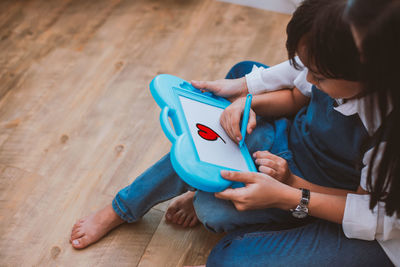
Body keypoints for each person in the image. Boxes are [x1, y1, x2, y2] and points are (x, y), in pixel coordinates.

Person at [69, 0, 395, 265]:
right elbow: (298, 94)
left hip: (342, 201)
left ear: (375, 75)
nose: (309, 79)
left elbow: (373, 212)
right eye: (304, 66)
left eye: (320, 76)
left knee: (221, 234)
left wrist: (290, 191)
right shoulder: (341, 61)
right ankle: (125, 207)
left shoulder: (386, 133)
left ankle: (285, 219)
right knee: (223, 115)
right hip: (292, 157)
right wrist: (248, 99)